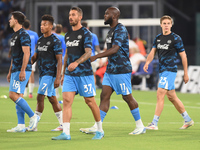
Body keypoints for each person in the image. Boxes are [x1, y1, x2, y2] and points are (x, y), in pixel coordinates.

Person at [80, 7, 146, 135]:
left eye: (107, 14)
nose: (104, 16)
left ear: (114, 16)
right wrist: (103, 61)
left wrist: (96, 56)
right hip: (111, 70)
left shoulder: (121, 29)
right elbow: (110, 51)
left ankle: (140, 126)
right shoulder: (110, 31)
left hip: (121, 69)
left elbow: (115, 49)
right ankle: (97, 126)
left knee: (127, 97)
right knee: (104, 96)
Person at [52, 7, 104, 140]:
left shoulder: (87, 34)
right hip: (70, 75)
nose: (71, 17)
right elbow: (66, 55)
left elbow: (88, 52)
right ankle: (66, 133)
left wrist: (76, 62)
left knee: (90, 101)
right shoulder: (68, 35)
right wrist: (62, 73)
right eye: (70, 15)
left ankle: (100, 130)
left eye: (74, 15)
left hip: (84, 74)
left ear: (80, 17)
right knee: (67, 101)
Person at [143, 15, 194, 130]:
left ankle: (154, 123)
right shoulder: (158, 38)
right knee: (172, 97)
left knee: (160, 93)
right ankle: (188, 119)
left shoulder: (176, 38)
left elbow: (183, 56)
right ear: (161, 25)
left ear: (171, 25)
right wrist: (147, 62)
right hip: (162, 71)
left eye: (168, 23)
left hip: (170, 70)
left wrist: (186, 73)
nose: (166, 25)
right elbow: (152, 52)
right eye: (164, 23)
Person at [6, 11, 40, 132]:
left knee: (12, 95)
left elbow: (27, 53)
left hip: (22, 69)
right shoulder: (14, 36)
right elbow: (14, 56)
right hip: (15, 68)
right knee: (18, 96)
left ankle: (33, 116)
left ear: (16, 20)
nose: (9, 20)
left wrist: (23, 70)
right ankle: (21, 126)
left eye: (11, 18)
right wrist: (10, 71)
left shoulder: (23, 35)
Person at [31, 14, 63, 131]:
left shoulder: (55, 41)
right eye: (41, 24)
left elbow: (59, 60)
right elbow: (35, 56)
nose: (42, 26)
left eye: (45, 25)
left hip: (50, 74)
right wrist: (27, 63)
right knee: (52, 98)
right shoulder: (40, 40)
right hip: (42, 73)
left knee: (40, 96)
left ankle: (34, 124)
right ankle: (63, 124)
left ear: (50, 27)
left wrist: (58, 78)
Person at [23, 19, 39, 98]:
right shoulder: (34, 34)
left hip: (23, 56)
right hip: (32, 56)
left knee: (23, 73)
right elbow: (38, 45)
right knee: (31, 73)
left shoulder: (21, 34)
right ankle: (30, 93)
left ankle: (24, 92)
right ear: (29, 26)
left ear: (22, 26)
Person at [54, 24, 67, 99]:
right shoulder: (63, 37)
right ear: (61, 30)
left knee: (56, 76)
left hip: (55, 59)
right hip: (62, 59)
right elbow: (64, 48)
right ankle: (63, 93)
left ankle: (56, 94)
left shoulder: (53, 37)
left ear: (55, 29)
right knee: (62, 76)